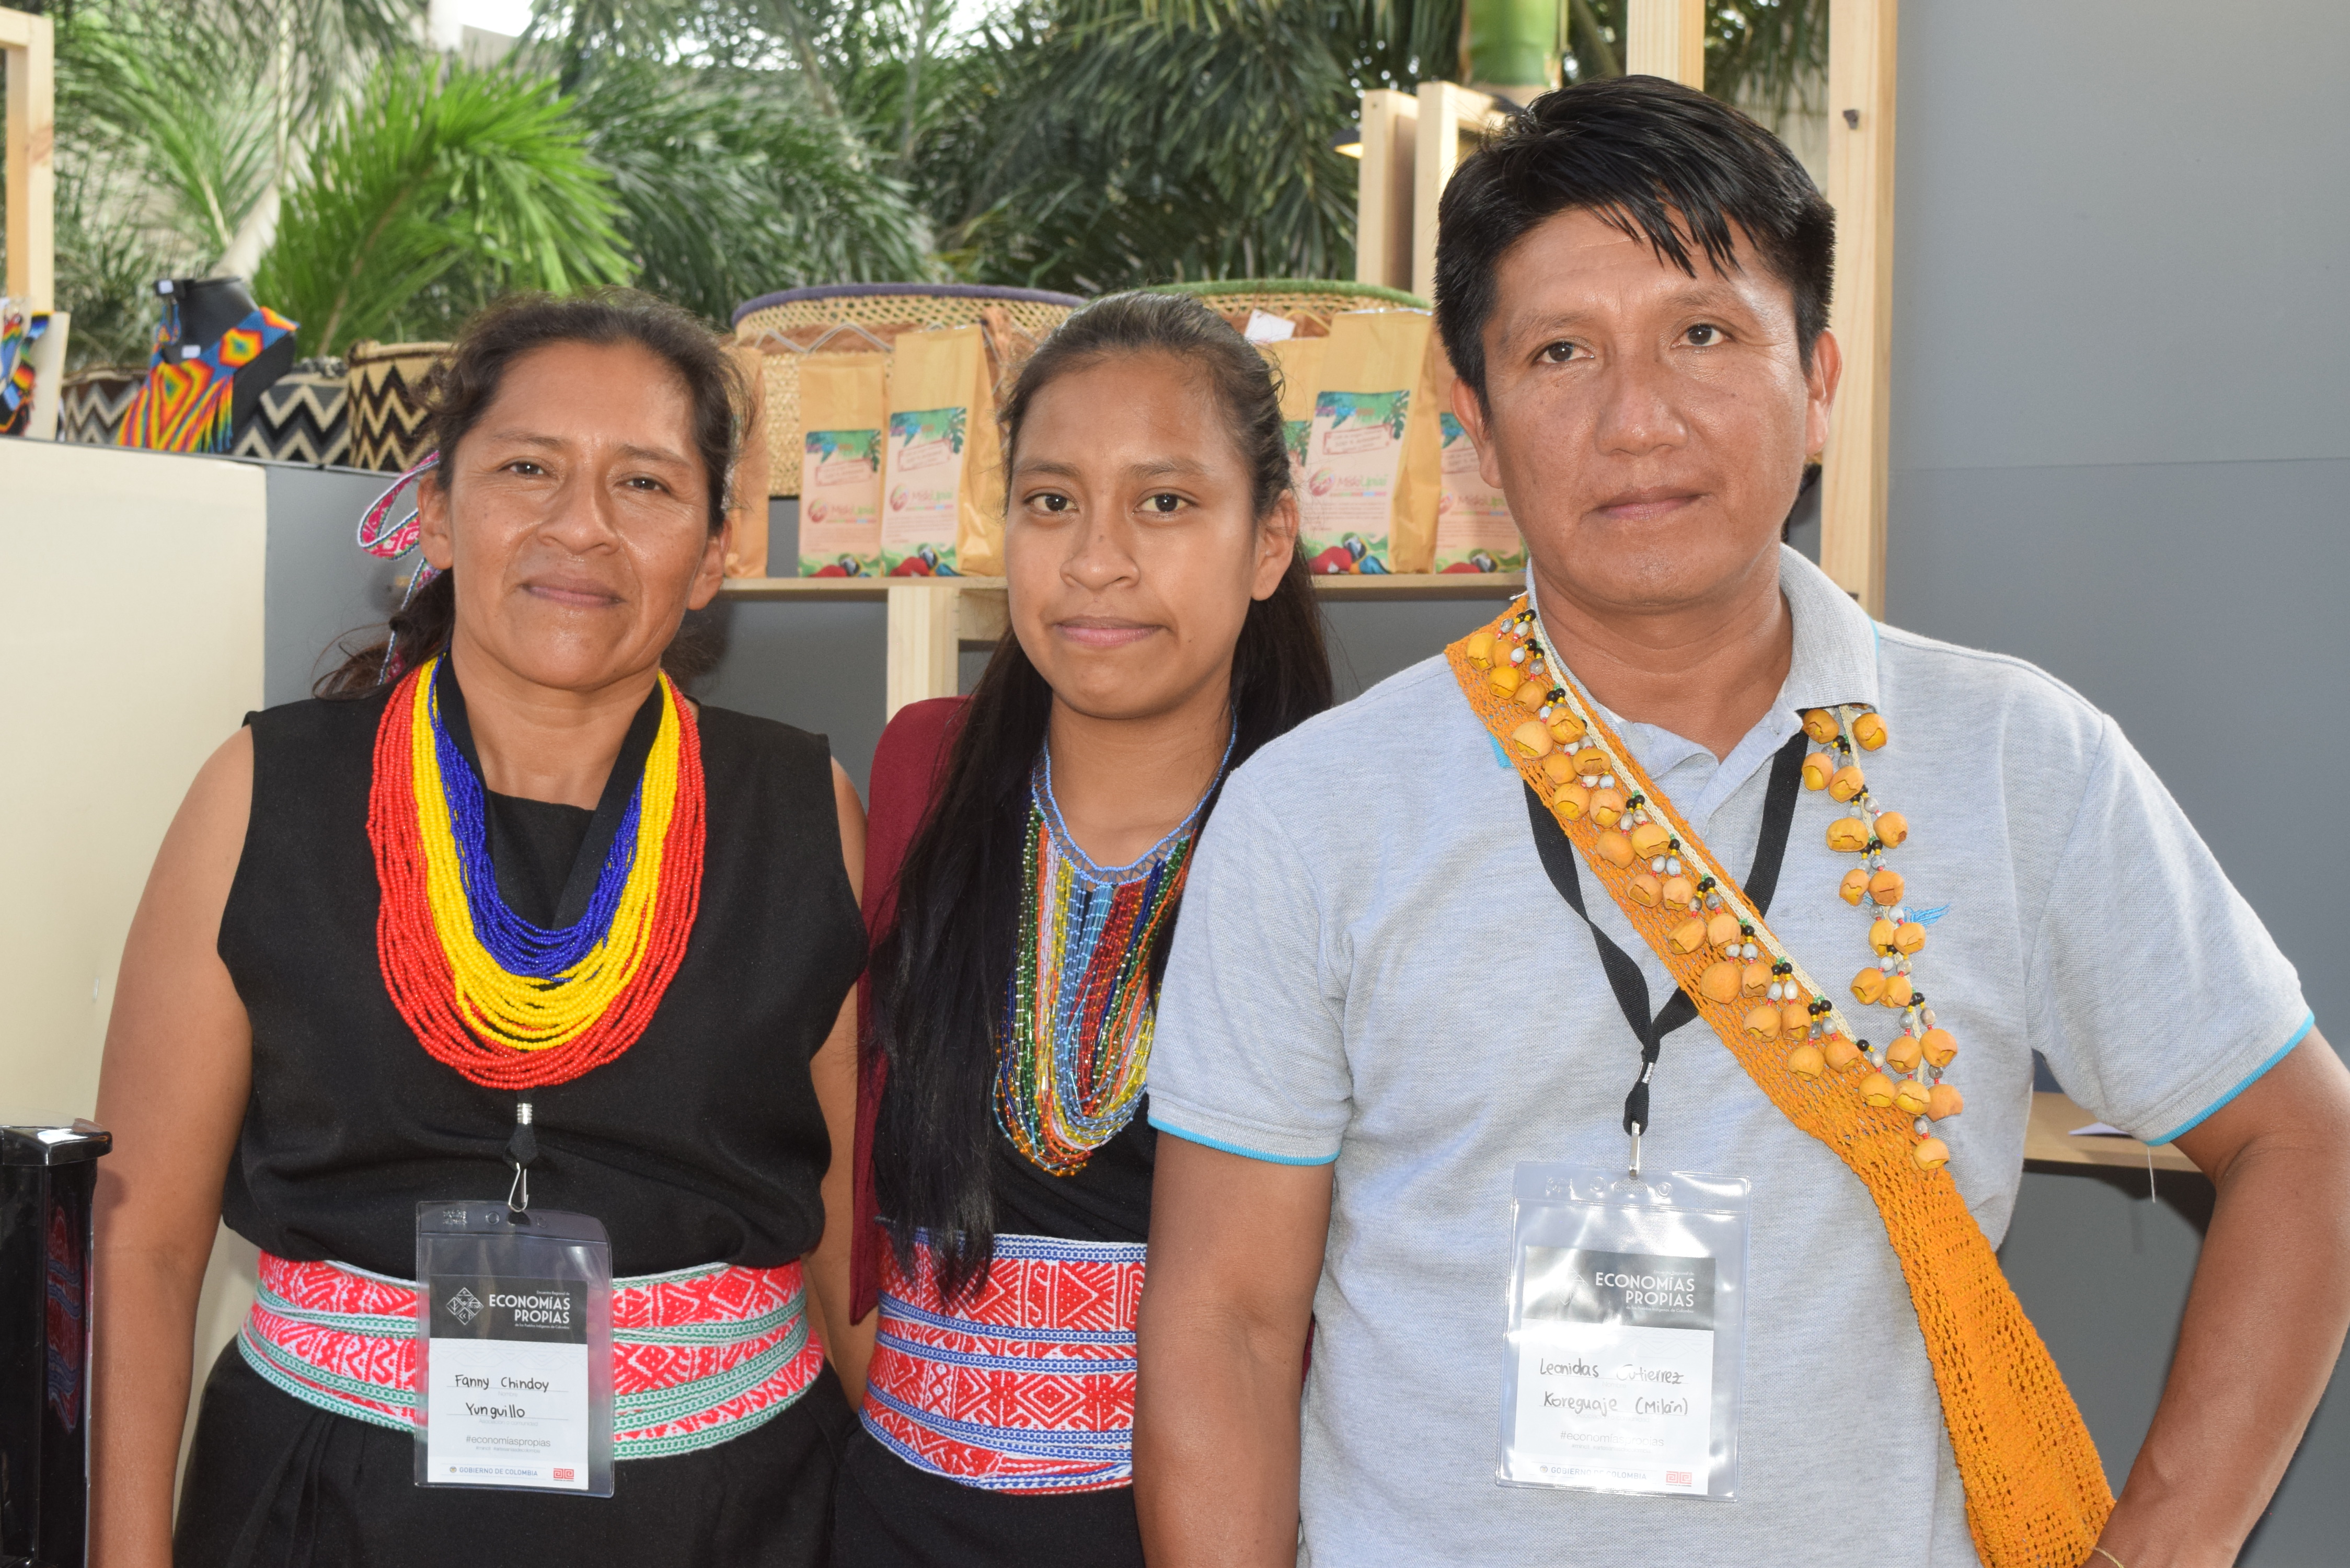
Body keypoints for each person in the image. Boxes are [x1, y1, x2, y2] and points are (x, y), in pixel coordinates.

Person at [1133, 77, 2350, 1567]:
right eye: (1562, 352)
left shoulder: (2014, 760)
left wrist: (2162, 1547)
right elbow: (1226, 1329)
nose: (1638, 419)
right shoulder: (1311, 817)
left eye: (1704, 335)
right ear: (1475, 422)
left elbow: (2309, 1145)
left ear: (1818, 377)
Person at [91, 290, 867, 1567]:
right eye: (527, 469)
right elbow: (146, 1238)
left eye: (646, 486)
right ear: (440, 512)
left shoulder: (805, 812)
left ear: (718, 550)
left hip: (736, 1515)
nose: (581, 528)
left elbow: (847, 1230)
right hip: (322, 1511)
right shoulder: (264, 795)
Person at [831, 291, 1332, 1565]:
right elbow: (837, 1133)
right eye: (1052, 502)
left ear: (1268, 539)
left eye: (1165, 503)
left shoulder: (1336, 831)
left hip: (1199, 1519)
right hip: (896, 1504)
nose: (1097, 558)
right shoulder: (918, 774)